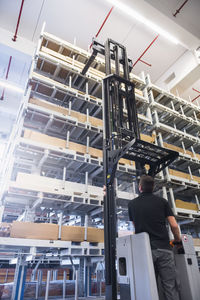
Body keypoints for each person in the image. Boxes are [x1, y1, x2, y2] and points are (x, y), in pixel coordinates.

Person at [128, 175, 181, 300]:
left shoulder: (132, 204)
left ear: (140, 187)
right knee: (169, 286)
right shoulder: (162, 202)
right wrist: (177, 240)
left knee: (150, 286)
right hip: (164, 249)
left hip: (145, 251)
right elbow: (173, 225)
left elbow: (135, 227)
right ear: (153, 188)